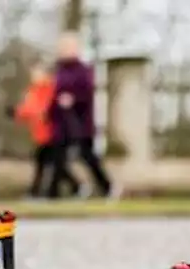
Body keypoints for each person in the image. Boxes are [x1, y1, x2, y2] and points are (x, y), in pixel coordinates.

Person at [48, 32, 116, 199]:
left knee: (88, 157)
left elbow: (87, 93)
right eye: (62, 47)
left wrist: (73, 99)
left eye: (68, 46)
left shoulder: (83, 70)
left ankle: (107, 187)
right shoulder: (57, 71)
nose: (64, 50)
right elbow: (52, 94)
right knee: (57, 158)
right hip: (61, 123)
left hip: (80, 122)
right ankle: (58, 192)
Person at [12, 64, 79, 199]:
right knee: (49, 164)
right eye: (33, 74)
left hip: (54, 133)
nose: (34, 77)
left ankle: (38, 192)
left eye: (37, 73)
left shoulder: (51, 89)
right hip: (41, 135)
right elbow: (28, 110)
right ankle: (72, 187)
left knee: (52, 164)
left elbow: (47, 109)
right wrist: (16, 113)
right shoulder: (33, 91)